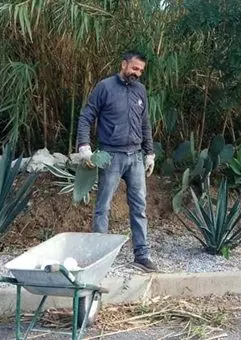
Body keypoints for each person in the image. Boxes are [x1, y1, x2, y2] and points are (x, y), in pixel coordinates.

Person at [75, 50, 157, 272]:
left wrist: (149, 153)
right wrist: (85, 147)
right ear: (123, 65)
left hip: (136, 158)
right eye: (134, 68)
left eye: (140, 70)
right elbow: (86, 116)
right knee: (103, 207)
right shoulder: (105, 87)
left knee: (139, 207)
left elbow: (145, 124)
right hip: (111, 156)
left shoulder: (140, 91)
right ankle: (99, 257)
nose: (137, 73)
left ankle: (141, 255)